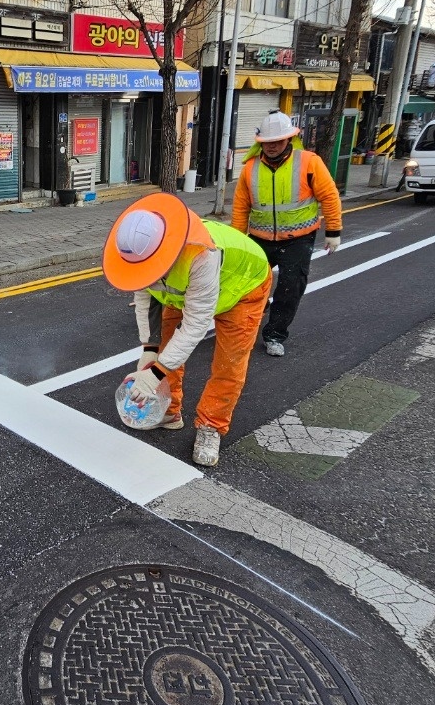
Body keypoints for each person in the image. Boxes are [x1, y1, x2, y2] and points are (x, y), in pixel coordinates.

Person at [103, 192, 273, 467]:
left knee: (229, 362)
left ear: (164, 252)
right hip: (184, 293)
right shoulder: (141, 250)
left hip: (242, 287)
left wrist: (155, 374)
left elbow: (195, 325)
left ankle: (211, 426)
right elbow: (146, 297)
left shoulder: (201, 254)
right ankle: (169, 412)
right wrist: (149, 349)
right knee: (166, 349)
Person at [230, 110, 342, 358]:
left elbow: (329, 196)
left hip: (298, 240)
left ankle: (275, 334)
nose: (271, 146)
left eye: (277, 142)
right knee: (246, 286)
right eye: (267, 142)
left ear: (289, 139)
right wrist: (236, 241)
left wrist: (333, 230)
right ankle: (247, 323)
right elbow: (241, 207)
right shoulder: (250, 168)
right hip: (259, 239)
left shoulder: (309, 162)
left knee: (290, 287)